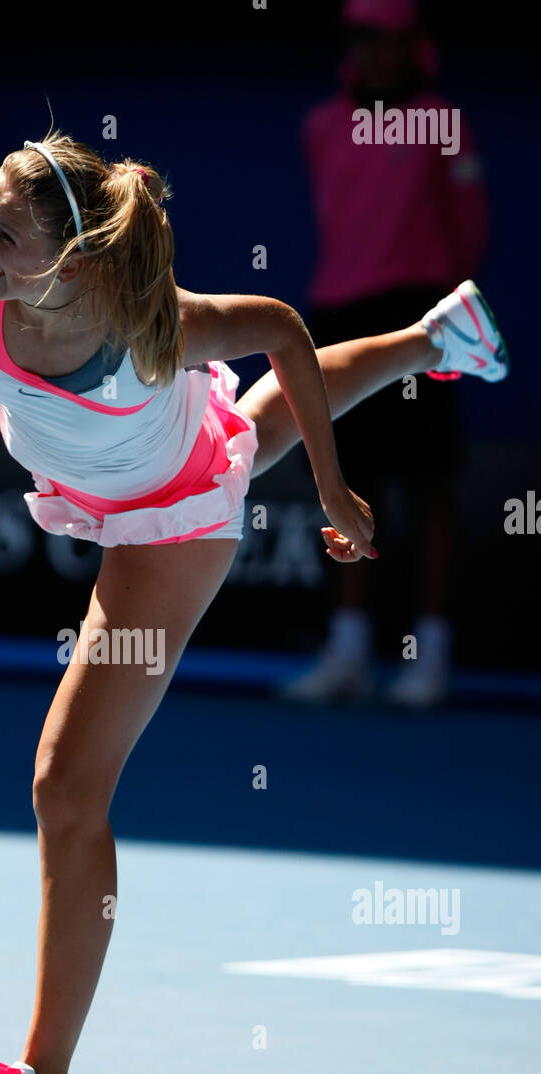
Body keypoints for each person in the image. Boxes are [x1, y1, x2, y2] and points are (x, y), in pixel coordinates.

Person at [0, 128, 508, 1074]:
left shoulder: (142, 319)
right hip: (123, 472)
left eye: (7, 233)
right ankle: (436, 337)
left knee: (65, 787)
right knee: (257, 422)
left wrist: (331, 491)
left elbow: (280, 323)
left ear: (68, 255)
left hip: (168, 526)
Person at [281, 0, 491, 707]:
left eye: (391, 40)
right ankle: (348, 651)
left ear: (414, 46)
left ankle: (429, 657)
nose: (377, 53)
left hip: (420, 319)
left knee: (430, 487)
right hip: (341, 315)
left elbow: (468, 232)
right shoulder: (320, 126)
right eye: (364, 39)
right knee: (344, 480)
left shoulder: (443, 123)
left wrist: (439, 310)